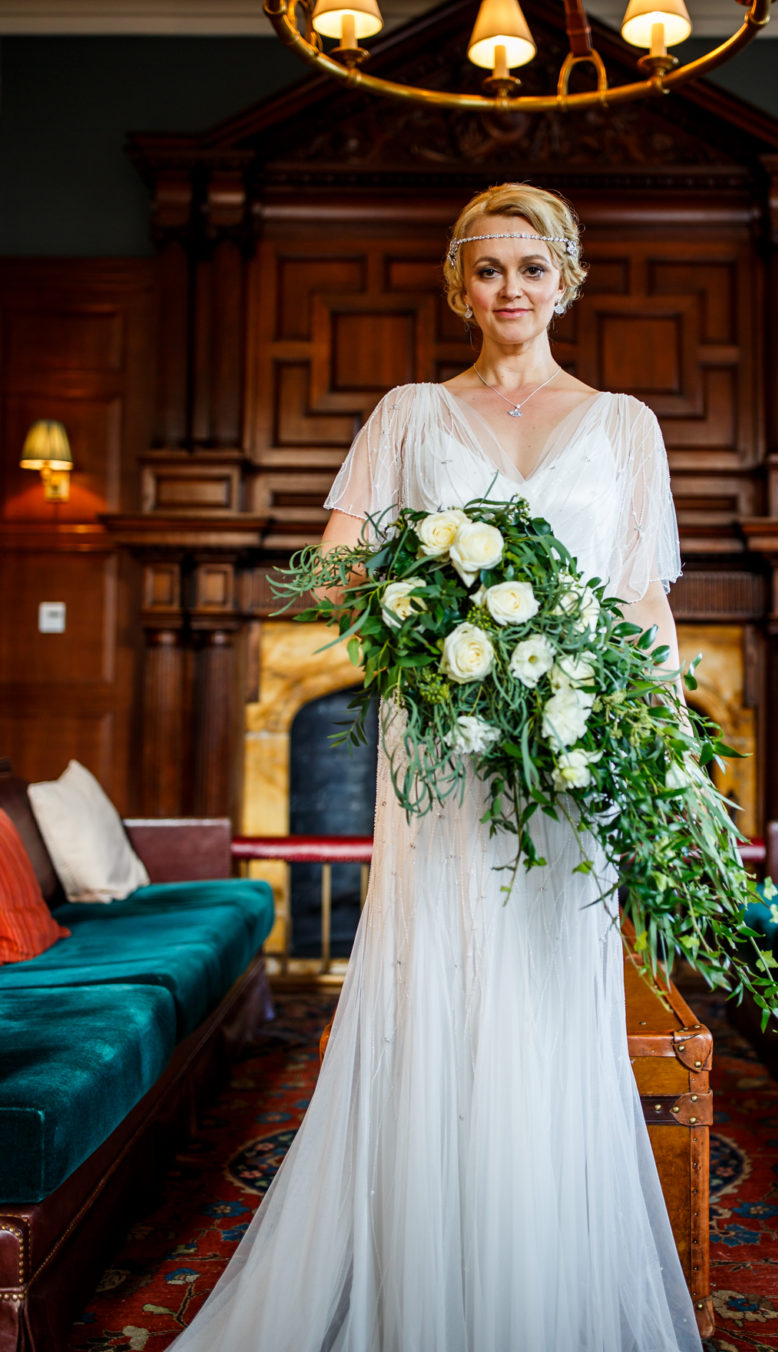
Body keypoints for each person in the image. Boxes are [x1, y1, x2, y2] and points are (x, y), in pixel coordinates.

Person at [171, 183, 702, 1352]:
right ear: (458, 285)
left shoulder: (624, 425)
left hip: (567, 752)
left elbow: (641, 601)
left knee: (547, 999)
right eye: (486, 269)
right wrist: (433, 611)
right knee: (439, 980)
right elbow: (339, 571)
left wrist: (657, 750)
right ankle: (420, 1280)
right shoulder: (409, 414)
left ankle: (536, 1287)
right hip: (442, 747)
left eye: (529, 265)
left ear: (567, 276)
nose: (509, 288)